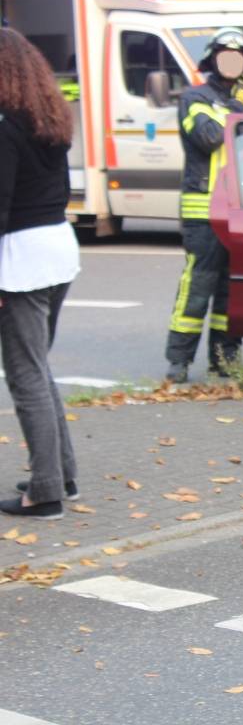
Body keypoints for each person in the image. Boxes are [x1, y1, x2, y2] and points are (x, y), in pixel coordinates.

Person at [0, 29, 81, 520]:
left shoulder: (5, 126)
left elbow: (0, 207)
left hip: (20, 261)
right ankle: (61, 476)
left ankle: (45, 493)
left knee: (25, 373)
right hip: (57, 250)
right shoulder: (49, 119)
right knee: (39, 367)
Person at [165, 28, 243, 383]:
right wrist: (240, 109)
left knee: (233, 291)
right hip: (205, 210)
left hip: (240, 210)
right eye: (225, 56)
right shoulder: (194, 98)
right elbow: (210, 138)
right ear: (212, 59)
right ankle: (178, 362)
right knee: (198, 287)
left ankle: (225, 361)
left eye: (238, 57)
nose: (231, 62)